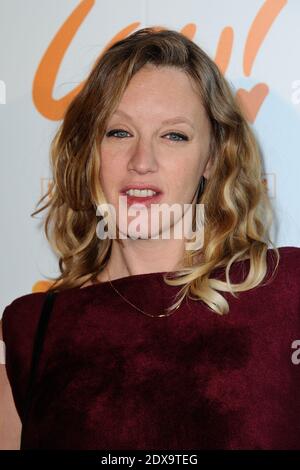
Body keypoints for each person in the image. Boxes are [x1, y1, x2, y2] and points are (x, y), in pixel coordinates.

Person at [1, 26, 300, 450]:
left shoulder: (288, 290)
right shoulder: (32, 329)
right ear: (89, 150)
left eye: (174, 135)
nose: (142, 161)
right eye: (119, 132)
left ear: (213, 158)